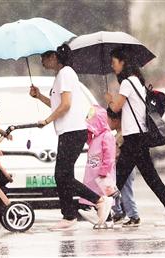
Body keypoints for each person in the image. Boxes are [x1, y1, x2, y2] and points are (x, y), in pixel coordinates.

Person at [29, 44, 113, 231]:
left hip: (73, 131)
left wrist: (47, 120)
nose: (41, 60)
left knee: (61, 175)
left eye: (44, 56)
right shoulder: (61, 76)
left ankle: (98, 200)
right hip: (68, 131)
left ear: (54, 57)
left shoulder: (66, 73)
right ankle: (69, 216)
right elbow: (57, 104)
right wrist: (39, 97)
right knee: (64, 175)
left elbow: (66, 105)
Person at [105, 48, 165, 226]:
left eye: (114, 62)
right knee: (140, 177)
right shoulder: (136, 81)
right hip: (136, 138)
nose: (112, 65)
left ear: (123, 62)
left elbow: (115, 108)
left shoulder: (127, 83)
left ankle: (106, 215)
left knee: (120, 178)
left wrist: (109, 99)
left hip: (134, 139)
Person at [77, 105, 119, 229]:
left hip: (102, 175)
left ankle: (108, 219)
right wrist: (89, 134)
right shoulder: (95, 138)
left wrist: (105, 170)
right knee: (96, 197)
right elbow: (89, 142)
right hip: (92, 174)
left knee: (104, 198)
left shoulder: (107, 136)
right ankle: (101, 218)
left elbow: (109, 155)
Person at [106, 107, 141, 227]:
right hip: (123, 167)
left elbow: (116, 153)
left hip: (124, 168)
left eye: (108, 120)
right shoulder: (121, 133)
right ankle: (120, 213)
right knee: (118, 190)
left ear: (116, 120)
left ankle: (133, 216)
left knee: (121, 191)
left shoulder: (121, 136)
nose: (107, 122)